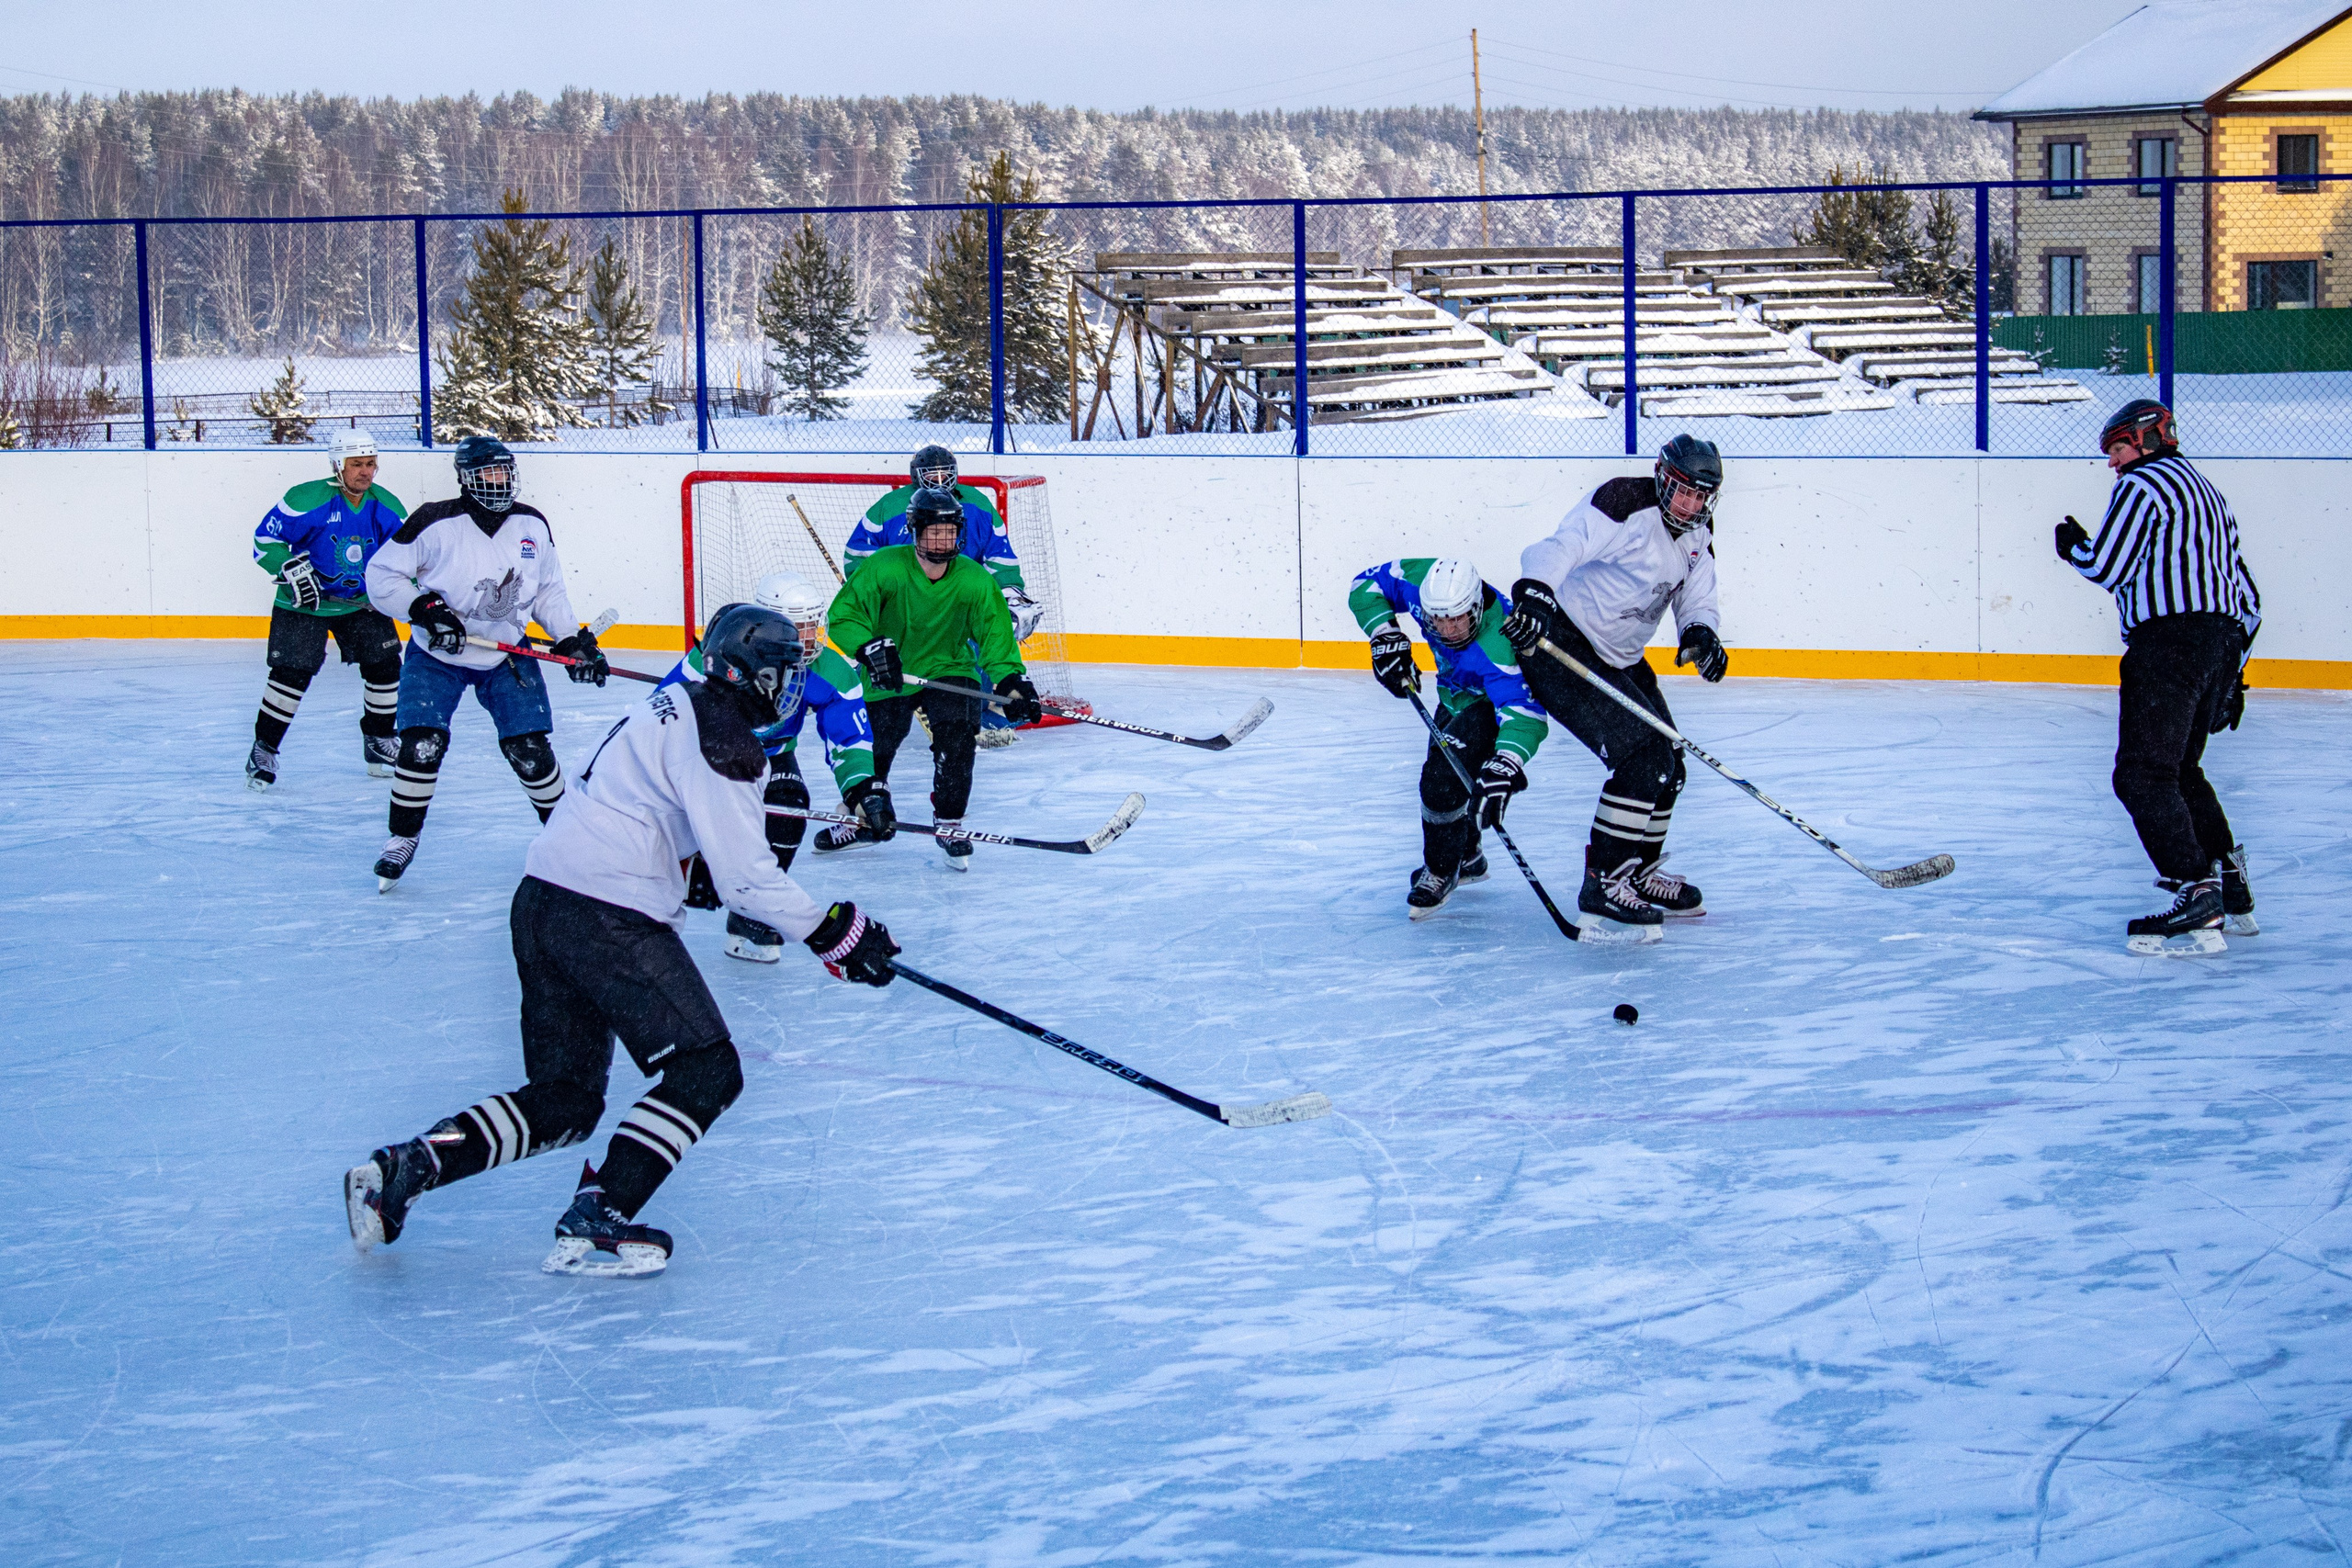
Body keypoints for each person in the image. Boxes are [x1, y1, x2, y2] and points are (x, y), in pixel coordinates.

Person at [345, 604, 902, 1278]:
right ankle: (595, 1219)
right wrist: (838, 932)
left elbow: (642, 800)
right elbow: (749, 883)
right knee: (707, 1069)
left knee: (565, 1099)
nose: (789, 688)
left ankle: (405, 1166)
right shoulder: (727, 739)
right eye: (782, 674)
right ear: (748, 675)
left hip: (543, 897)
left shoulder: (674, 702)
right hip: (608, 912)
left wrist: (685, 862)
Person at [1501, 434, 1728, 942]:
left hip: (1621, 656)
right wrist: (1535, 592)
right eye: (1683, 490)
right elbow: (1559, 548)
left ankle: (1640, 875)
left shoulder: (1697, 530)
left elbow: (1697, 591)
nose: (1690, 504)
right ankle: (1604, 880)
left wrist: (1700, 632)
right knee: (1641, 762)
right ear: (1661, 477)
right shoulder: (1625, 499)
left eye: (1701, 495)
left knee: (1669, 763)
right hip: (1562, 644)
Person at [2057, 399, 2263, 955]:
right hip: (2219, 645)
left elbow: (2107, 566)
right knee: (2181, 770)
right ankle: (2232, 885)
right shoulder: (2207, 492)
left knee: (2143, 776)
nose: (2112, 462)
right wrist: (2232, 673)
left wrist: (2072, 548)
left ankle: (2197, 892)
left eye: (2118, 448)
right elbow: (2249, 597)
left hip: (2167, 645)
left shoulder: (2141, 486)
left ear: (2146, 440)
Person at [362, 434, 609, 891]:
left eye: (503, 472)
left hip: (506, 654)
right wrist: (425, 609)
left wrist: (572, 640)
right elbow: (379, 575)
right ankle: (401, 837)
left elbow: (549, 590)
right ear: (464, 479)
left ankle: (569, 840)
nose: (497, 482)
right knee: (422, 745)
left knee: (531, 752)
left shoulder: (531, 525)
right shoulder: (435, 521)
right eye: (486, 474)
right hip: (438, 654)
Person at [657, 571, 895, 963]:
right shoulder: (716, 653)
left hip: (771, 754)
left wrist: (862, 790)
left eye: (813, 626)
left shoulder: (831, 671)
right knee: (691, 825)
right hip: (709, 753)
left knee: (790, 805)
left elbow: (848, 738)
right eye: (799, 628)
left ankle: (749, 915)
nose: (810, 639)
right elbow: (664, 711)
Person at [822, 486, 1037, 871]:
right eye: (933, 530)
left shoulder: (974, 580)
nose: (942, 539)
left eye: (950, 531)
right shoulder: (884, 567)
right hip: (890, 669)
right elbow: (843, 616)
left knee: (957, 741)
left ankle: (950, 822)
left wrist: (1011, 681)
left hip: (949, 670)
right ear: (914, 531)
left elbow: (995, 635)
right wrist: (868, 648)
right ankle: (855, 814)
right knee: (877, 743)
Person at [1349, 558, 1549, 920]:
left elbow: (1524, 712)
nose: (1447, 630)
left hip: (1488, 705)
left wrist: (1506, 761)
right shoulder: (1422, 585)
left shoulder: (1499, 644)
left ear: (1474, 606)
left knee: (1439, 785)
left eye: (1457, 619)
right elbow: (1365, 585)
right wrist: (1385, 634)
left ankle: (1441, 870)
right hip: (1452, 696)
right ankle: (1468, 856)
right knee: (1457, 779)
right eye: (1437, 620)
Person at [844, 446, 1046, 743]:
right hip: (905, 601)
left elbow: (999, 557)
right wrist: (877, 593)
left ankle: (977, 709)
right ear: (916, 476)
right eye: (931, 475)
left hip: (961, 597)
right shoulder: (889, 507)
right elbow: (857, 555)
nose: (939, 481)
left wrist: (1008, 592)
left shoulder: (977, 504)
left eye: (945, 475)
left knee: (988, 629)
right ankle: (868, 699)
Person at [243, 430, 409, 789]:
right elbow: (264, 542)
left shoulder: (387, 506)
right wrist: (287, 567)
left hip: (361, 605)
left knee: (385, 668)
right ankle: (264, 749)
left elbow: (407, 558)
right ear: (338, 465)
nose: (365, 472)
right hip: (303, 604)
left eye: (370, 464)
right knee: (291, 675)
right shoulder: (306, 499)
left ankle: (380, 743)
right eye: (356, 464)